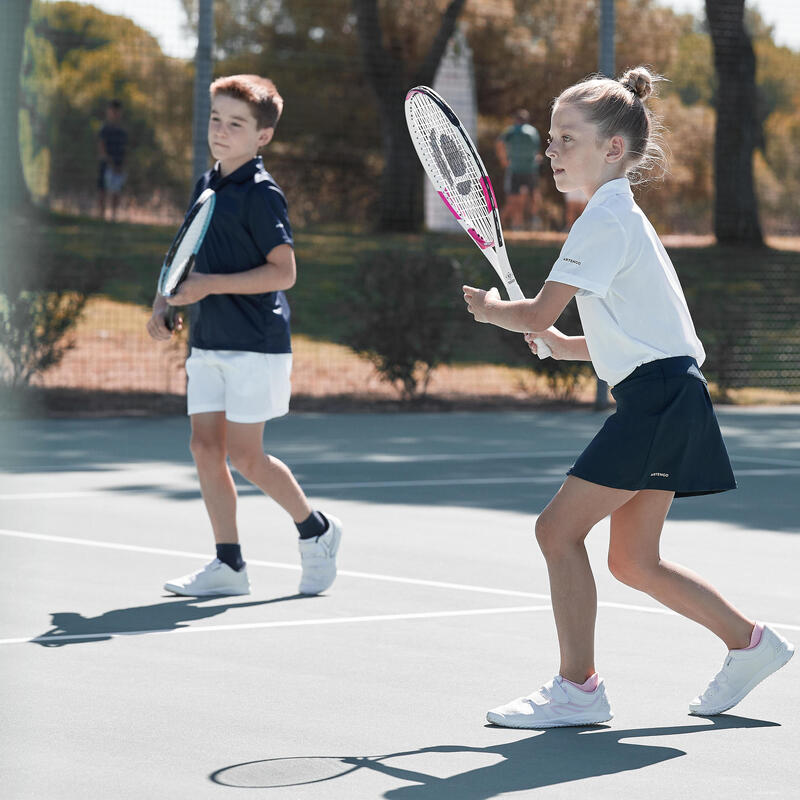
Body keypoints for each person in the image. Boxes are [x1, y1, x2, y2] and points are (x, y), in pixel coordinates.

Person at [463, 67, 794, 727]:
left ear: (611, 149)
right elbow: (645, 338)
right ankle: (749, 643)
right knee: (632, 560)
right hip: (672, 392)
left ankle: (577, 689)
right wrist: (564, 344)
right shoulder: (620, 218)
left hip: (658, 402)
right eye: (552, 138)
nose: (552, 150)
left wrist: (494, 310)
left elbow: (531, 316)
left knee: (555, 531)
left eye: (566, 138)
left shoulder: (602, 222)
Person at [146, 74, 342, 598]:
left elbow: (284, 273)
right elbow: (184, 251)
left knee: (247, 457)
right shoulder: (206, 183)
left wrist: (209, 285)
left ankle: (316, 531)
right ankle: (229, 565)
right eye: (216, 119)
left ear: (263, 137)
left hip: (255, 342)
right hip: (207, 340)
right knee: (205, 447)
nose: (221, 131)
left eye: (236, 124)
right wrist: (164, 299)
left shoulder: (262, 195)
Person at [495, 109, 543, 231]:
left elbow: (499, 143)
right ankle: (530, 219)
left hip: (515, 169)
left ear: (516, 120)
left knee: (513, 200)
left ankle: (503, 225)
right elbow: (537, 152)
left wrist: (503, 160)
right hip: (531, 169)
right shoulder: (533, 131)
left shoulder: (512, 130)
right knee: (531, 197)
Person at [97, 99, 128, 220]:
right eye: (113, 111)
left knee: (116, 191)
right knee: (102, 191)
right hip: (106, 165)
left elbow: (125, 149)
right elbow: (101, 147)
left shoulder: (122, 131)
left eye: (117, 111)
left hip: (118, 165)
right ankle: (101, 216)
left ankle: (113, 217)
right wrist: (109, 163)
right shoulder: (104, 129)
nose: (115, 114)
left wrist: (121, 164)